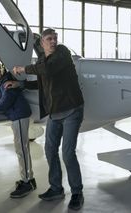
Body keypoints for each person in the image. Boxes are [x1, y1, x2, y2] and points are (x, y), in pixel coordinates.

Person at [7, 28, 84, 210]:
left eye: (55, 38)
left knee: (67, 153)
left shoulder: (62, 53)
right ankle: (56, 188)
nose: (53, 41)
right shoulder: (42, 60)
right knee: (50, 150)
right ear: (42, 43)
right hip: (55, 113)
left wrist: (23, 69)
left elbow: (47, 70)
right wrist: (21, 83)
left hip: (72, 110)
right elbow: (41, 81)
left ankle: (77, 193)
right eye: (49, 39)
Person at [0, 61, 36, 198]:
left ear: (2, 70)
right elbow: (2, 102)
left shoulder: (6, 83)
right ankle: (29, 179)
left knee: (21, 149)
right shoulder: (2, 83)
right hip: (17, 116)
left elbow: (4, 104)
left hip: (19, 116)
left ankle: (27, 182)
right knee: (22, 148)